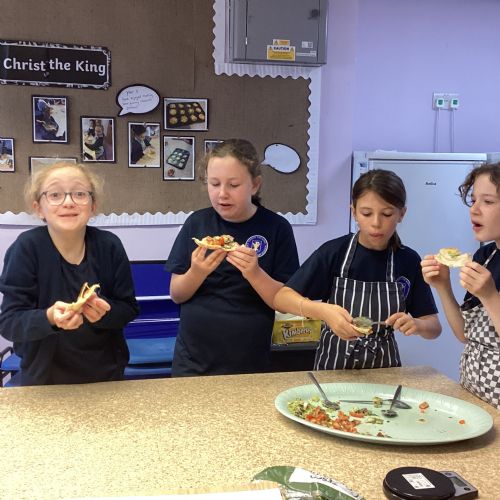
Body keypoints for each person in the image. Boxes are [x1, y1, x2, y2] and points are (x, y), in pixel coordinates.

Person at [274, 169, 441, 370]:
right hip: (333, 368)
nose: (376, 223)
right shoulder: (334, 252)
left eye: (387, 214)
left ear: (401, 214)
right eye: (366, 213)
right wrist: (323, 311)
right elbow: (281, 298)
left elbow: (434, 327)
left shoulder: (408, 260)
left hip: (385, 370)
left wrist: (418, 325)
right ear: (353, 212)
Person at [165, 139, 299, 376]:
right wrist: (197, 272)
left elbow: (284, 301)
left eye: (234, 185)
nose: (222, 194)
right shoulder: (196, 223)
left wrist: (255, 274)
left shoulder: (277, 227)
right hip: (193, 362)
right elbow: (177, 294)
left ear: (255, 185)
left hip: (249, 360)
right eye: (214, 184)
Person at [0, 162, 139, 385]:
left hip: (105, 375)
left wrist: (105, 313)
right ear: (38, 208)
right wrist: (49, 318)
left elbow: (129, 308)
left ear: (93, 206)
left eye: (79, 194)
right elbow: (9, 322)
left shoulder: (110, 246)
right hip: (44, 378)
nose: (68, 202)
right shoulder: (26, 248)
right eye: (55, 194)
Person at [421, 163, 500, 408]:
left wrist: (490, 296)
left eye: (488, 201)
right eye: (473, 200)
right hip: (474, 396)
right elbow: (465, 334)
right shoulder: (485, 256)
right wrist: (443, 287)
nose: (474, 209)